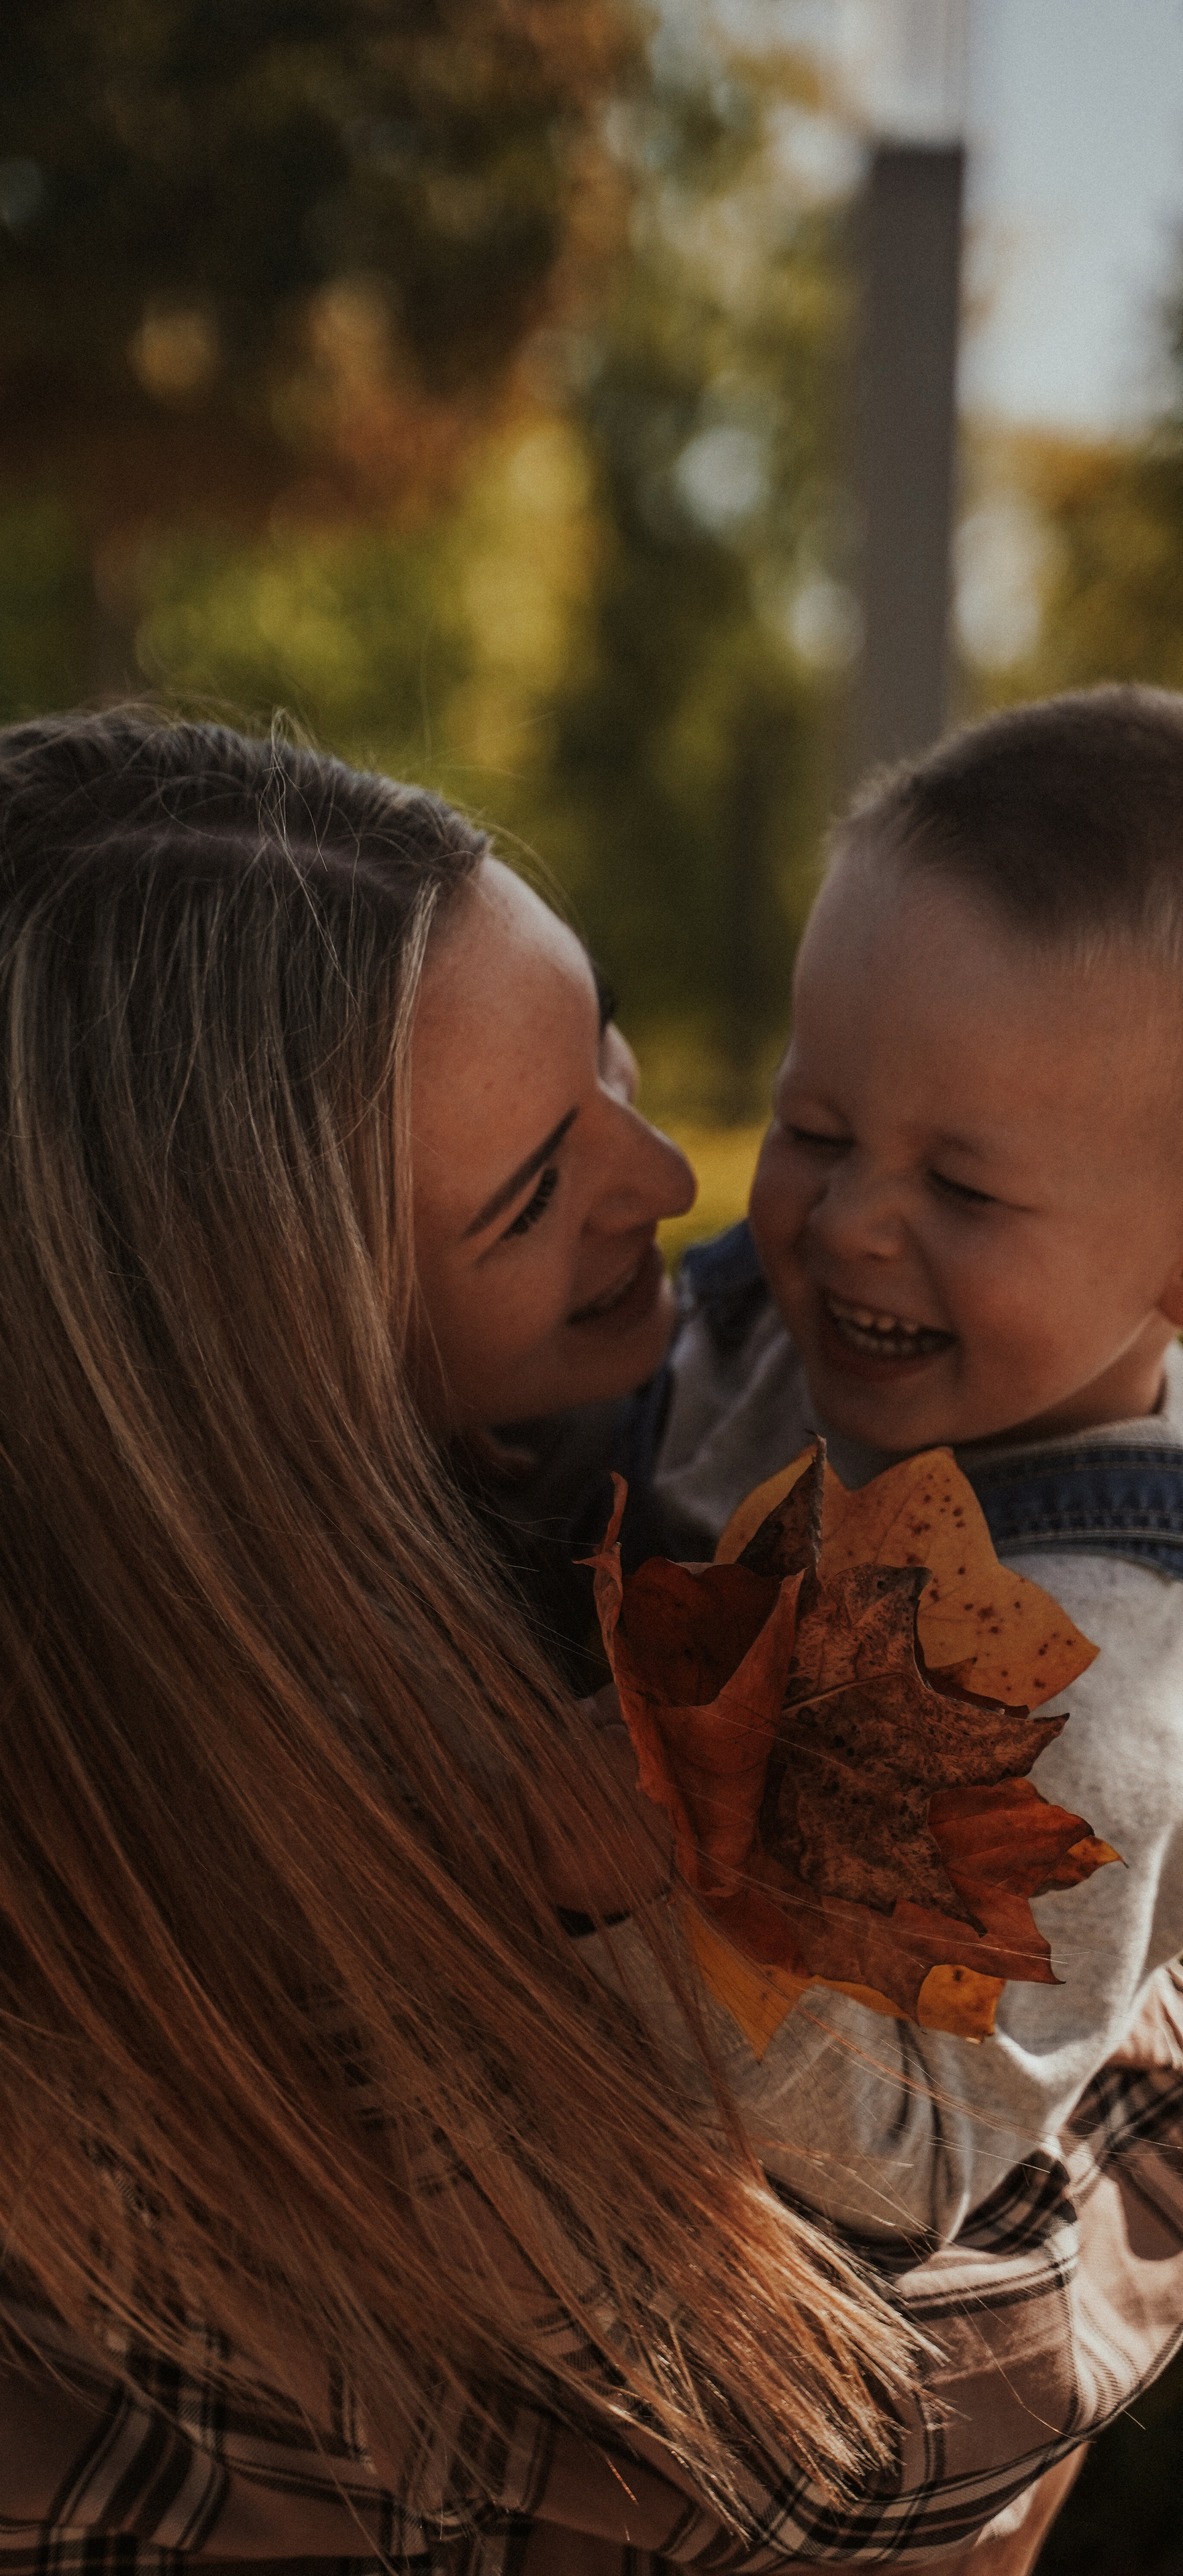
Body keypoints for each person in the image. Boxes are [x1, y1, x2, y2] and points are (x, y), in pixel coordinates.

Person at [0, 710, 1183, 2576]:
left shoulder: (396, 1502)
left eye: (613, 1062)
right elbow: (846, 2431)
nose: (680, 1183)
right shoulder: (291, 1823)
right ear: (285, 1351)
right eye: (532, 1191)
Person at [603, 684, 1183, 2254]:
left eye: (962, 1186)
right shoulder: (786, 1330)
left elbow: (912, 2159)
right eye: (813, 1125)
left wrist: (625, 1880)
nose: (848, 1218)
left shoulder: (1091, 1684)